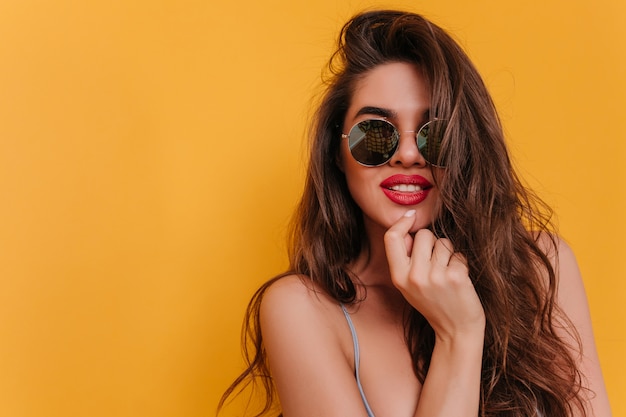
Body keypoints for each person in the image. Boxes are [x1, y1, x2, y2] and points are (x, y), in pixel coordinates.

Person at [219, 9, 612, 417]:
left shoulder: (542, 266)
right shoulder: (302, 311)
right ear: (336, 153)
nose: (408, 155)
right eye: (375, 134)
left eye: (436, 135)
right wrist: (458, 333)